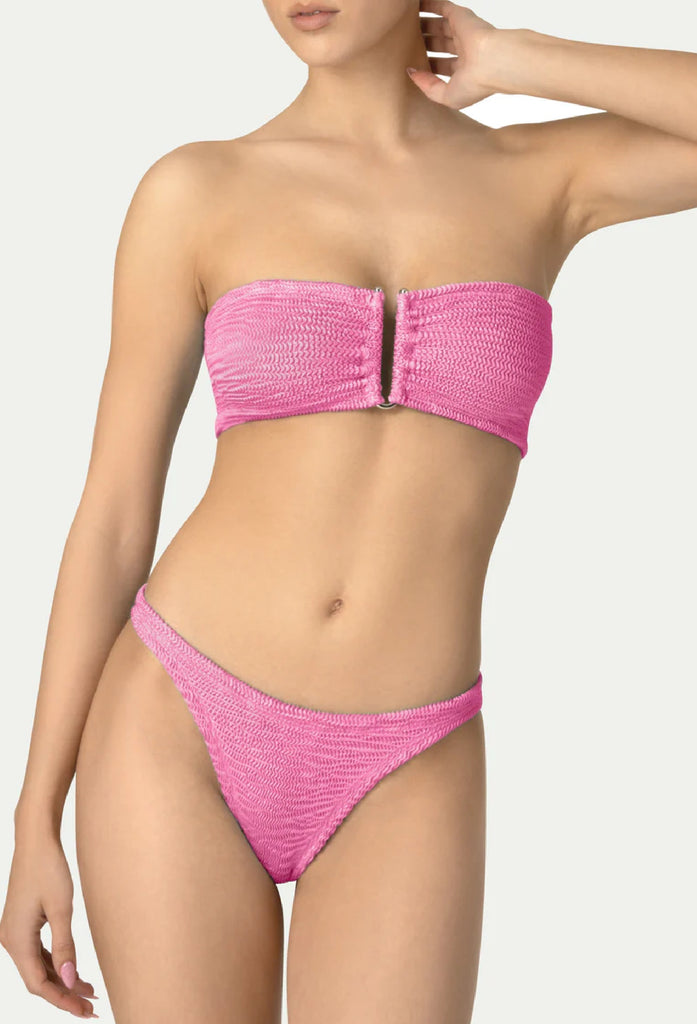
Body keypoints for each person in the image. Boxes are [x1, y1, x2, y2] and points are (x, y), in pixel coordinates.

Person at [2, 1, 696, 1020]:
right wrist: (34, 814)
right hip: (179, 722)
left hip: (411, 750)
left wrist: (511, 57)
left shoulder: (539, 177)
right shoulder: (197, 189)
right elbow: (112, 517)